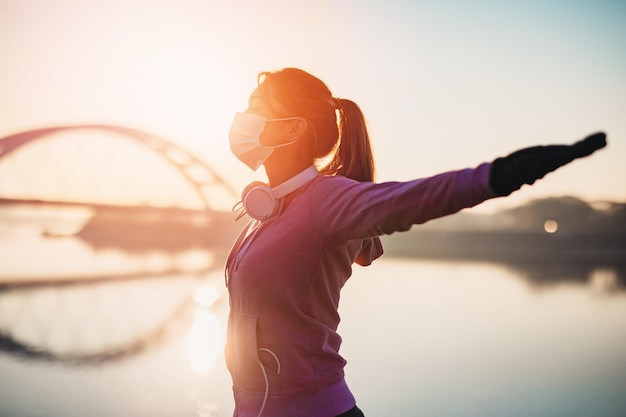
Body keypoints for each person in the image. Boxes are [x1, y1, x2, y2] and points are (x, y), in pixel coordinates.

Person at [224, 67, 607, 417]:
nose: (244, 118)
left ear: (293, 128)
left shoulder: (325, 200)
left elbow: (420, 197)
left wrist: (511, 171)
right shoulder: (266, 208)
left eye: (257, 108)